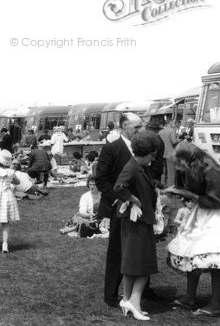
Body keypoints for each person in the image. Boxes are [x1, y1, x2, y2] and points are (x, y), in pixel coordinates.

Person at [165, 142, 220, 316]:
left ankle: (215, 304)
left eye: (179, 163)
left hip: (219, 214)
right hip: (202, 211)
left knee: (215, 256)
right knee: (192, 252)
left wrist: (189, 195)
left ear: (187, 159)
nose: (178, 168)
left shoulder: (210, 170)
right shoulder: (192, 167)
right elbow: (192, 189)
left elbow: (216, 202)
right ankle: (190, 297)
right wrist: (177, 190)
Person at [95, 112, 143, 308]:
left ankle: (141, 291)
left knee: (140, 248)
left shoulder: (143, 148)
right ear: (124, 126)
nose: (140, 132)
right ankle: (111, 294)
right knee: (117, 250)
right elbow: (101, 179)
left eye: (141, 128)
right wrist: (118, 200)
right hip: (119, 207)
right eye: (136, 128)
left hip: (141, 206)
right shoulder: (111, 149)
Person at [114, 130, 160, 321]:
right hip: (137, 222)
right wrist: (135, 200)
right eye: (153, 154)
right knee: (144, 265)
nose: (154, 157)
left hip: (138, 222)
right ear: (146, 152)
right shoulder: (132, 167)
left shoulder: (139, 166)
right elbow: (118, 187)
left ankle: (127, 299)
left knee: (132, 264)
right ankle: (135, 302)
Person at [159, 119, 181, 187]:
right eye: (174, 123)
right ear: (171, 123)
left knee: (164, 172)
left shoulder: (161, 131)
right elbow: (173, 142)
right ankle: (171, 188)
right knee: (171, 173)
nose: (174, 124)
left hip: (162, 153)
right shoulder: (172, 130)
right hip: (170, 154)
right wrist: (180, 140)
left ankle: (163, 185)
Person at [146, 121, 165, 188]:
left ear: (151, 130)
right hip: (157, 167)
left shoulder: (156, 140)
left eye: (149, 129)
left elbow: (153, 156)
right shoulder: (158, 139)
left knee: (154, 187)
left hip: (154, 168)